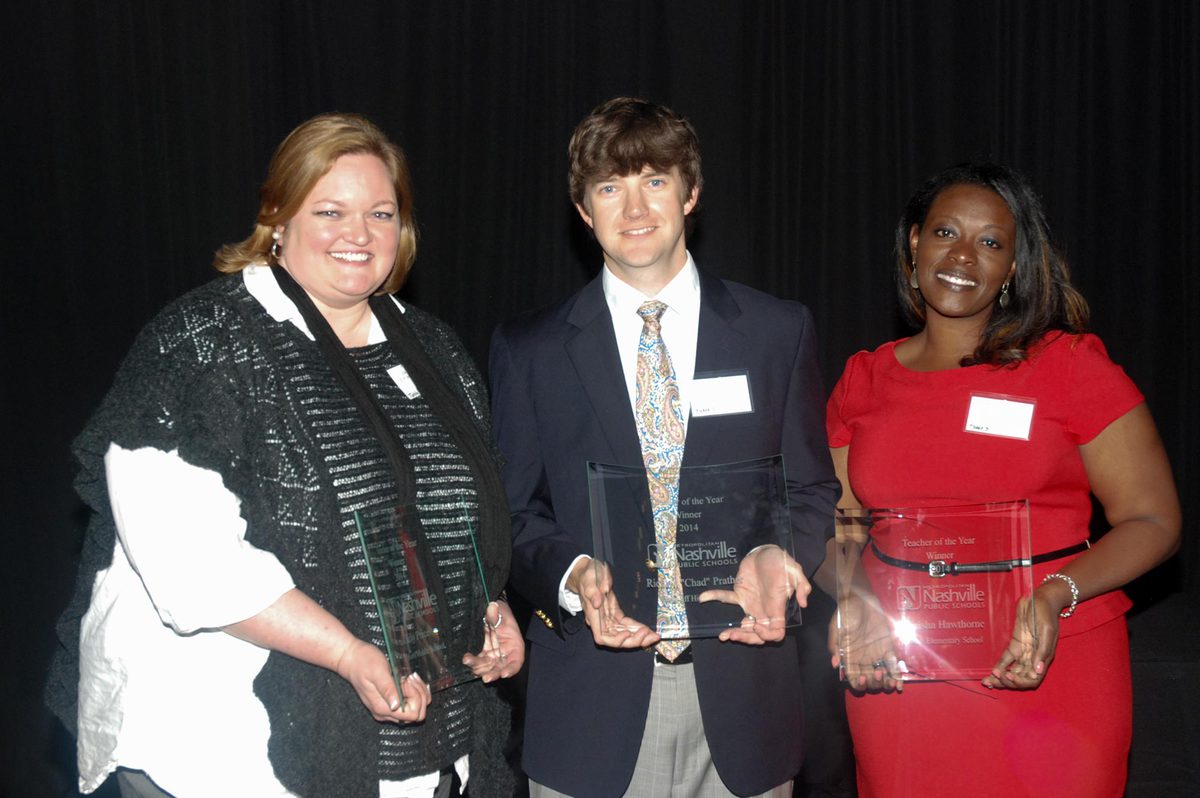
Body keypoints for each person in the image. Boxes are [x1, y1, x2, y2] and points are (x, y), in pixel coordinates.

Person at [44, 113, 524, 798]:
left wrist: (487, 606)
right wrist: (348, 652)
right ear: (277, 219)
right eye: (330, 210)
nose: (358, 234)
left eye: (381, 213)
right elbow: (189, 566)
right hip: (223, 748)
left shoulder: (435, 351)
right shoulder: (201, 342)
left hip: (415, 742)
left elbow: (455, 514)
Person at [489, 97, 839, 798]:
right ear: (584, 211)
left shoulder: (776, 333)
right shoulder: (530, 350)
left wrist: (780, 552)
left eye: (655, 179)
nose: (635, 205)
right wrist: (575, 574)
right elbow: (513, 513)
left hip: (744, 698)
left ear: (692, 192)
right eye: (610, 186)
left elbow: (811, 489)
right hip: (593, 704)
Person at [825, 162, 1181, 796]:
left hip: (1050, 665)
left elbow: (1154, 521)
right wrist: (855, 599)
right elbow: (837, 524)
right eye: (945, 233)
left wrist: (1055, 592)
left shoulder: (1072, 368)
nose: (964, 256)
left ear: (1015, 264)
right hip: (901, 672)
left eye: (991, 242)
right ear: (914, 243)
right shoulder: (864, 380)